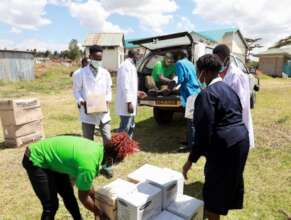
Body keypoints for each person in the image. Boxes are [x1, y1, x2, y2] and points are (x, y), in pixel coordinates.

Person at [182, 54, 250, 220]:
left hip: (226, 146)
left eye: (198, 72)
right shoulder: (228, 89)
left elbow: (203, 133)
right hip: (241, 140)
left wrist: (190, 160)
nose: (198, 76)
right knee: (228, 181)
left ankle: (214, 214)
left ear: (204, 73)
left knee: (214, 188)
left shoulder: (206, 95)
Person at [22, 133, 138, 220]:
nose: (114, 165)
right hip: (35, 159)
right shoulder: (88, 165)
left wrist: (95, 196)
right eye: (117, 162)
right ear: (110, 159)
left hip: (52, 160)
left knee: (68, 196)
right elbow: (83, 197)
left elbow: (87, 184)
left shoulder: (97, 150)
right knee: (51, 205)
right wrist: (98, 212)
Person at [72, 45, 113, 177]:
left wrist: (107, 100)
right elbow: (76, 91)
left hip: (103, 112)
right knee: (88, 140)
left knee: (107, 139)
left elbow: (109, 90)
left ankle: (107, 165)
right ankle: (91, 166)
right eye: (96, 58)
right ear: (90, 57)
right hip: (87, 112)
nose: (98, 60)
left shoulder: (105, 73)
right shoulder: (80, 73)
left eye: (100, 58)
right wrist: (81, 101)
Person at [213, 44, 255, 148]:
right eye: (215, 59)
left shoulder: (237, 75)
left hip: (234, 120)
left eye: (219, 59)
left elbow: (242, 102)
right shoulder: (218, 73)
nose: (217, 62)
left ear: (227, 58)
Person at [115, 50, 146, 138]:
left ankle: (128, 147)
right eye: (139, 55)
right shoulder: (125, 66)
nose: (139, 58)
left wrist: (137, 93)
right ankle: (119, 148)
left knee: (131, 126)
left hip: (130, 100)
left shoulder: (131, 65)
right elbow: (125, 86)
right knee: (125, 127)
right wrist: (129, 103)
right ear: (134, 55)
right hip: (126, 103)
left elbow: (130, 85)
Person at [175, 50, 201, 152]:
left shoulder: (179, 63)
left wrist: (172, 84)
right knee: (191, 119)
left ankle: (191, 145)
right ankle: (190, 140)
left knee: (191, 120)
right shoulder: (191, 63)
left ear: (180, 55)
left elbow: (181, 79)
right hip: (195, 92)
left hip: (189, 93)